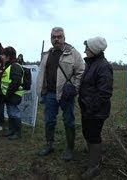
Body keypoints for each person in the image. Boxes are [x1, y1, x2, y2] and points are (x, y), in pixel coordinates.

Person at [37, 27, 85, 161]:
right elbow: (43, 75)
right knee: (49, 121)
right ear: (51, 38)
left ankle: (70, 149)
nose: (56, 39)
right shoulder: (46, 55)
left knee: (69, 121)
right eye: (54, 37)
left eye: (59, 36)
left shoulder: (73, 53)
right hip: (50, 94)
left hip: (66, 95)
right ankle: (49, 145)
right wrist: (42, 91)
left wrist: (74, 88)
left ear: (64, 38)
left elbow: (81, 72)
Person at [79, 37, 113, 179]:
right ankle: (93, 157)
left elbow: (104, 93)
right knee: (88, 133)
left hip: (95, 111)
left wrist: (91, 109)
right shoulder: (92, 63)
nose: (85, 50)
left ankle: (94, 167)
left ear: (94, 50)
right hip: (88, 108)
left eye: (87, 48)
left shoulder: (103, 66)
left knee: (93, 136)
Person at [1, 46, 24, 140]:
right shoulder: (10, 65)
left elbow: (16, 82)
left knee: (15, 113)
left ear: (8, 56)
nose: (2, 57)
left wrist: (7, 94)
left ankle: (18, 133)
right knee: (11, 112)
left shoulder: (15, 66)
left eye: (3, 55)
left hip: (14, 95)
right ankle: (12, 130)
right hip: (10, 95)